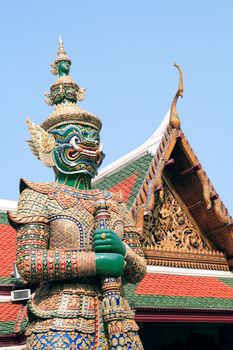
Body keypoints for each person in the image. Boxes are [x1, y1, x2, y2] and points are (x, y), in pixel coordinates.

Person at [9, 38, 146, 349]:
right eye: (74, 138)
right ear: (49, 147)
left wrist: (123, 252)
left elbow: (138, 270)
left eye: (92, 139)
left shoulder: (115, 204)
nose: (86, 146)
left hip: (118, 322)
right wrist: (96, 263)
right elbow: (29, 262)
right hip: (59, 320)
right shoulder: (38, 195)